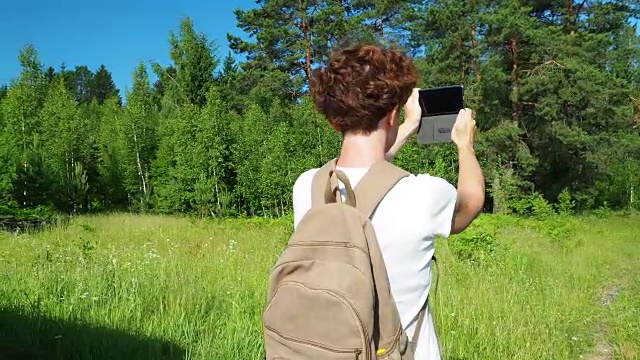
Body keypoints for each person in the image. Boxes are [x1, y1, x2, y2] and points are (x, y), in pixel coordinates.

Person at [291, 44, 485, 359]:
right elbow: (472, 202)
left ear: (334, 121)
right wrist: (464, 144)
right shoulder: (422, 194)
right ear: (392, 113)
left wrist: (405, 128)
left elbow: (366, 176)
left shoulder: (308, 186)